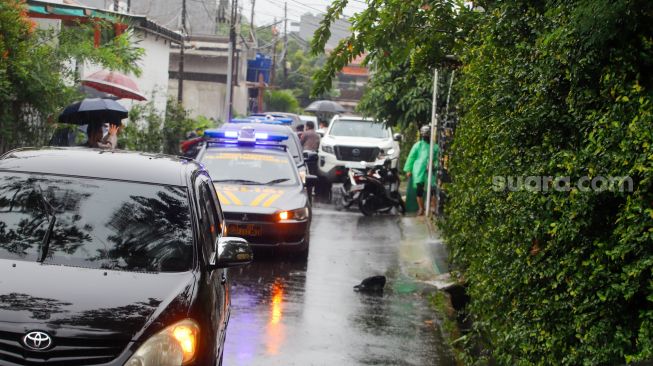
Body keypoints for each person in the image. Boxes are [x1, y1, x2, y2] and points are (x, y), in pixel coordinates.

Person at [404, 125, 439, 216]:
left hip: (430, 171)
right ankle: (421, 208)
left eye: (427, 135)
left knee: (432, 190)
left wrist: (434, 166)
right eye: (424, 135)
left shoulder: (434, 147)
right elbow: (411, 158)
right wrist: (408, 169)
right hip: (418, 170)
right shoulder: (417, 145)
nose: (425, 136)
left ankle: (433, 208)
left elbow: (437, 159)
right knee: (419, 190)